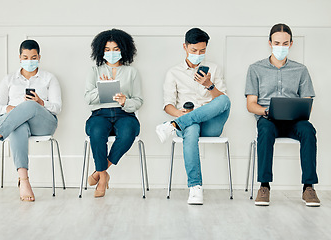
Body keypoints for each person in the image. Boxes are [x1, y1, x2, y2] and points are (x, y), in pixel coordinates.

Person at [0, 40, 62, 202]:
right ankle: (24, 180)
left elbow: (57, 108)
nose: (29, 61)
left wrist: (41, 103)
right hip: (13, 123)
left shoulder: (49, 78)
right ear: (20, 57)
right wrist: (9, 109)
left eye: (33, 57)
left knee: (29, 105)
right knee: (18, 125)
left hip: (43, 123)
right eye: (26, 57)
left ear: (39, 57)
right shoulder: (9, 79)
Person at [245, 23, 320, 207]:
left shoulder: (301, 70)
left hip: (295, 121)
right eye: (277, 43)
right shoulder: (255, 69)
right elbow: (251, 105)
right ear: (270, 43)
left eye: (285, 43)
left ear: (291, 44)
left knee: (309, 131)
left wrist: (298, 112)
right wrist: (267, 111)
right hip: (268, 119)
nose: (281, 47)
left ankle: (308, 187)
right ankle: (264, 186)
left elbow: (307, 102)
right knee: (264, 130)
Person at [156, 28, 231, 205]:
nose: (198, 54)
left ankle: (173, 126)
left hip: (211, 124)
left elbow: (221, 101)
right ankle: (195, 188)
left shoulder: (213, 69)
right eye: (194, 50)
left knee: (225, 100)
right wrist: (179, 114)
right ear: (185, 47)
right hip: (188, 122)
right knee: (191, 126)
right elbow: (168, 105)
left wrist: (209, 85)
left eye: (202, 51)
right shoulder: (173, 72)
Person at [84, 29, 143, 198]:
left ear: (124, 49)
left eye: (116, 49)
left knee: (128, 133)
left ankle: (100, 170)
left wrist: (126, 101)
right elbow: (88, 99)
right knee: (96, 132)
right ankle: (103, 177)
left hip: (124, 114)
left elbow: (138, 100)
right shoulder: (94, 71)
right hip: (100, 114)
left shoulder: (132, 72)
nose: (112, 53)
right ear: (101, 51)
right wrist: (102, 88)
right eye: (107, 49)